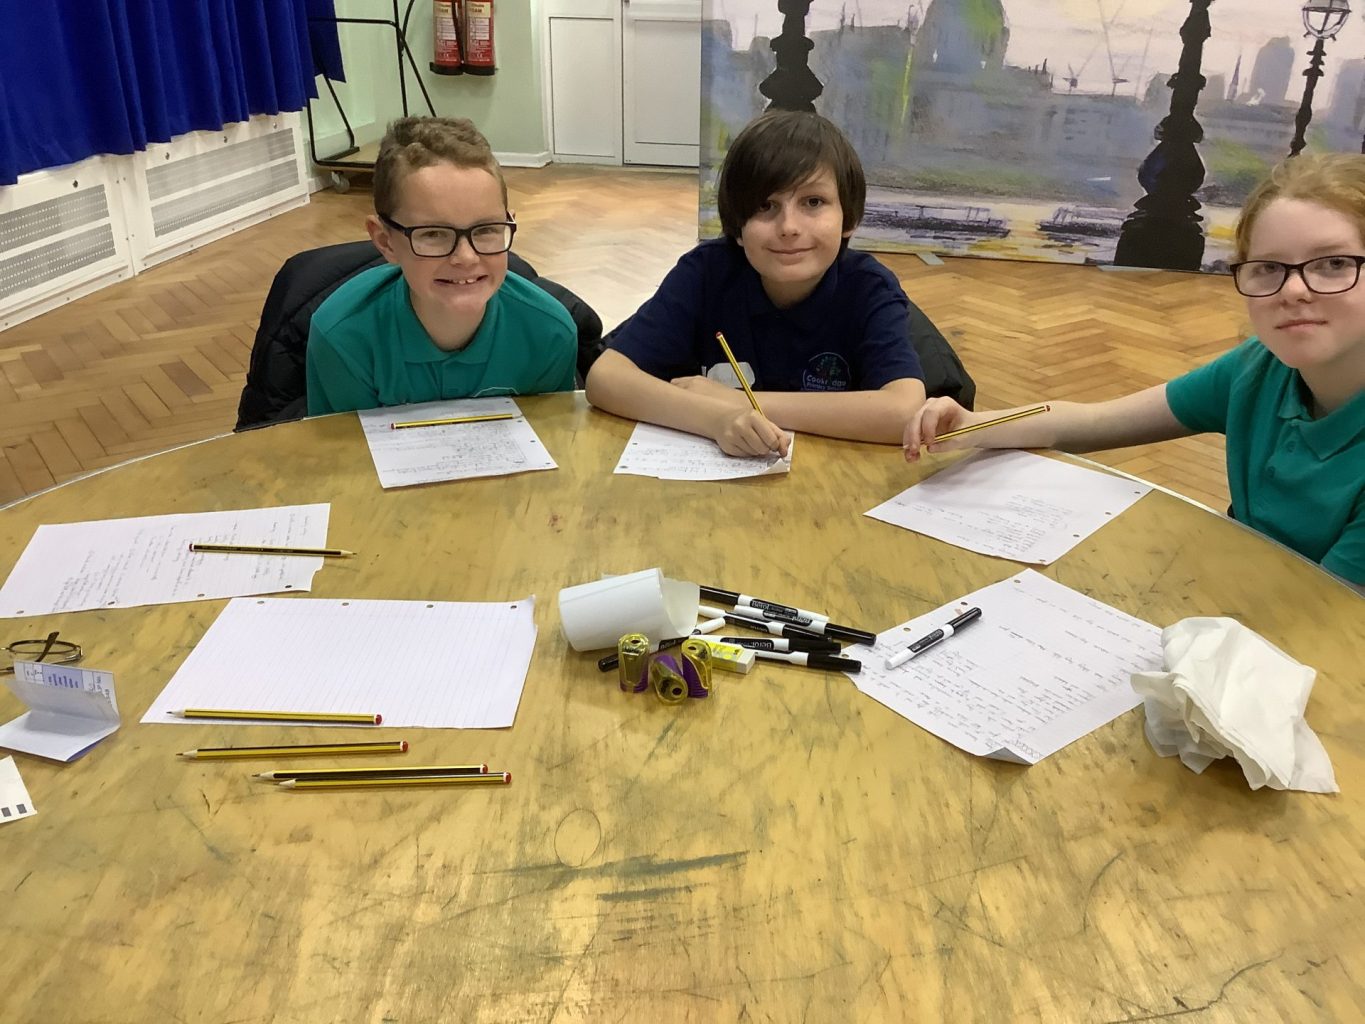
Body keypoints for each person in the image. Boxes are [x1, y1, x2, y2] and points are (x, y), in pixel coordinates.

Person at [904, 152, 1365, 590]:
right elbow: (1096, 420)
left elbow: (1330, 613)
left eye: (1334, 264)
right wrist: (973, 425)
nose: (1293, 290)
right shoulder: (1259, 368)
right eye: (1268, 267)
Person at [584, 110, 932, 456]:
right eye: (765, 206)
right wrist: (716, 418)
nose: (789, 227)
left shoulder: (868, 288)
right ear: (737, 227)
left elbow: (904, 411)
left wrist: (742, 403)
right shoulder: (706, 272)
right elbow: (605, 378)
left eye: (813, 202)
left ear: (849, 218)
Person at [305, 117, 576, 416]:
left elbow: (553, 438)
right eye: (433, 234)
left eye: (486, 229)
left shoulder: (550, 333)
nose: (466, 257)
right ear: (385, 241)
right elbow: (346, 445)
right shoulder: (343, 335)